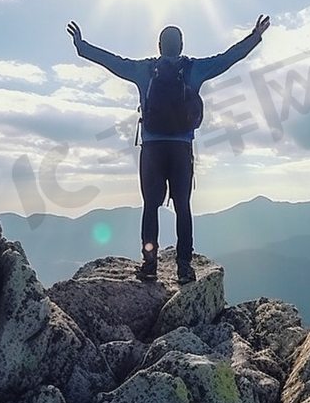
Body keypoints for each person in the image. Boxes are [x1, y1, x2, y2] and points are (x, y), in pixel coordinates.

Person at [66, 15, 270, 283]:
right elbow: (227, 59)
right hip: (181, 149)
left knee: (151, 206)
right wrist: (255, 37)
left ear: (159, 46)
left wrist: (82, 46)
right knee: (183, 206)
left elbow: (112, 62)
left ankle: (149, 265)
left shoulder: (145, 70)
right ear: (181, 45)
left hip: (152, 149)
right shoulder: (193, 69)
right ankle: (184, 267)